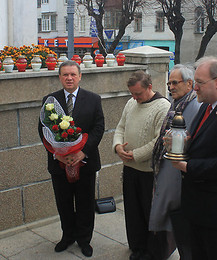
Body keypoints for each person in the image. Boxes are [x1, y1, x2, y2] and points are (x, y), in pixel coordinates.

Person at [38, 60, 104, 257]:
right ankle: (67, 237)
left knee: (85, 203)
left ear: (80, 76)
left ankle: (84, 240)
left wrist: (82, 152)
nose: (69, 78)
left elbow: (98, 128)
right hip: (59, 164)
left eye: (73, 75)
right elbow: (42, 130)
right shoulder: (49, 100)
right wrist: (57, 153)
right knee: (64, 203)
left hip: (85, 162)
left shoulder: (93, 99)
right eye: (65, 75)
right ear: (59, 77)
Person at [112, 70, 171, 260]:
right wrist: (117, 146)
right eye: (132, 94)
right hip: (130, 169)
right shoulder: (131, 103)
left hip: (148, 172)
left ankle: (153, 252)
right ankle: (137, 246)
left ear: (150, 87)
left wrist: (135, 155)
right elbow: (120, 127)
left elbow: (159, 140)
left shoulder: (163, 106)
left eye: (138, 94)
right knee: (133, 211)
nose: (135, 98)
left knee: (149, 213)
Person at [171, 56, 217, 260]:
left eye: (200, 83)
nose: (195, 88)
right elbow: (201, 143)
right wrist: (179, 144)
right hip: (196, 205)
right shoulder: (206, 106)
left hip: (214, 211)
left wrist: (186, 166)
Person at [150, 64, 201, 260]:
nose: (170, 87)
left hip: (180, 178)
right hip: (169, 173)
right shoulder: (176, 104)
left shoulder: (194, 107)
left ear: (189, 84)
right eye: (169, 83)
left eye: (175, 82)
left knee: (181, 227)